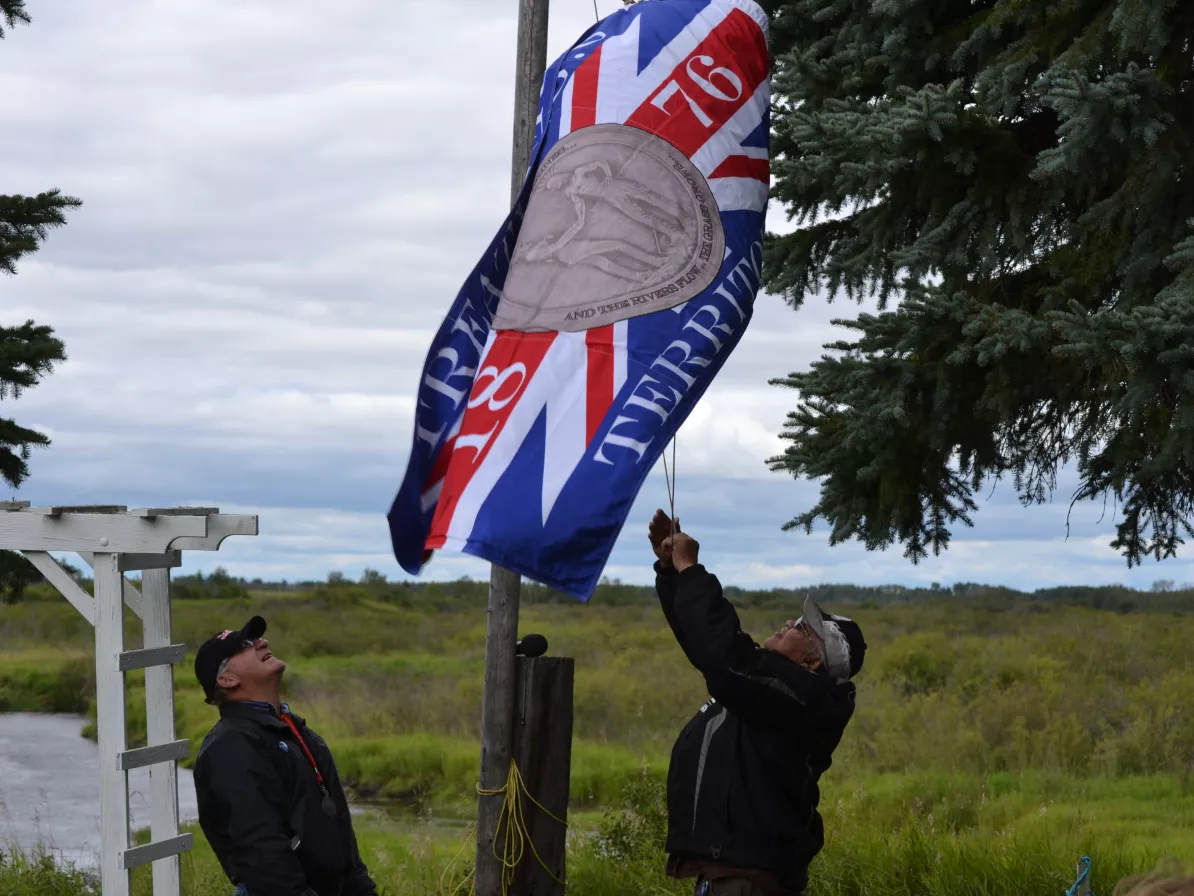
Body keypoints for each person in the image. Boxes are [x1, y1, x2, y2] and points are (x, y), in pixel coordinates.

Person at [648, 509, 867, 896]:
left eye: (801, 629)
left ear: (812, 662)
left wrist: (692, 572)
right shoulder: (774, 687)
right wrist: (671, 574)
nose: (788, 624)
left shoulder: (801, 697)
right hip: (731, 875)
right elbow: (707, 646)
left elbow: (725, 657)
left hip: (746, 879)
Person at [192, 616, 378, 896]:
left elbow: (341, 839)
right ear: (227, 680)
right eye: (244, 646)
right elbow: (264, 858)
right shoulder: (230, 746)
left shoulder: (296, 733)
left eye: (255, 640)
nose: (262, 643)